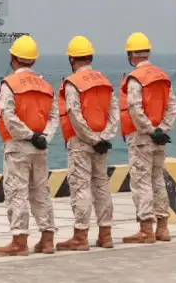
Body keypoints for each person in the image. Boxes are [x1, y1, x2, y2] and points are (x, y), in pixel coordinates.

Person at [0, 35, 58, 256]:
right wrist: (43, 137)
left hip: (19, 146)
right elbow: (54, 116)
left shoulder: (9, 84)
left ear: (13, 58)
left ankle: (19, 242)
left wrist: (28, 135)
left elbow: (8, 116)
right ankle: (47, 239)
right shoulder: (46, 86)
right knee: (41, 192)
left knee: (17, 192)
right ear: (33, 60)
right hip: (40, 147)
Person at [55, 35, 118, 251]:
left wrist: (91, 138)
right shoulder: (104, 81)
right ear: (90, 56)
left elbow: (74, 115)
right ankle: (106, 234)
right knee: (101, 186)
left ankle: (80, 237)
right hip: (101, 143)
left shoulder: (72, 83)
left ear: (72, 59)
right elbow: (114, 112)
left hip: (81, 143)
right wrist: (104, 137)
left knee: (81, 188)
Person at [119, 32, 176, 244]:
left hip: (142, 138)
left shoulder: (136, 79)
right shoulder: (162, 76)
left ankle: (146, 229)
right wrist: (162, 130)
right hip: (159, 139)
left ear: (131, 54)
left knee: (141, 182)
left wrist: (150, 129)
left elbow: (135, 108)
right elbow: (172, 107)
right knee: (158, 180)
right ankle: (163, 228)